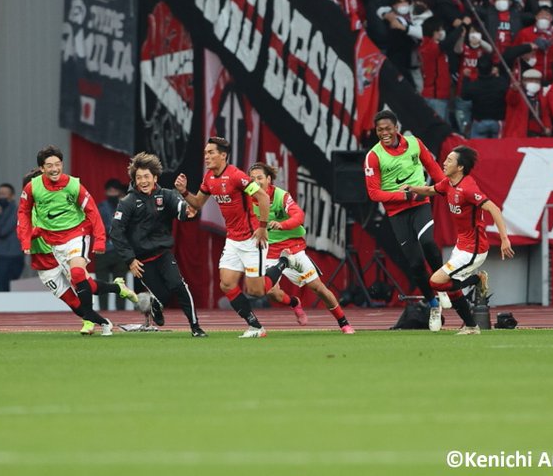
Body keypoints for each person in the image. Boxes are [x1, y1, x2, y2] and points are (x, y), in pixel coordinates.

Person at [174, 137, 302, 338]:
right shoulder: (209, 178)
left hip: (251, 239)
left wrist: (262, 227)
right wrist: (184, 192)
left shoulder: (236, 176)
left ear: (223, 155)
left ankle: (284, 262)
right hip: (233, 240)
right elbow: (197, 203)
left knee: (256, 291)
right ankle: (255, 327)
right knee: (226, 284)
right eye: (205, 152)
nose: (206, 156)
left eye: (211, 152)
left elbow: (263, 197)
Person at [400, 146, 515, 334]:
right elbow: (430, 189)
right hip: (461, 245)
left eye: (450, 160)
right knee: (452, 290)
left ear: (460, 167)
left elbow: (494, 209)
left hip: (474, 249)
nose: (444, 163)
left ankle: (476, 279)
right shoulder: (448, 183)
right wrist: (412, 188)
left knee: (435, 282)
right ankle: (471, 326)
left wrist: (504, 239)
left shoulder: (468, 188)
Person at [21, 169, 139, 334]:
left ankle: (90, 322)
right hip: (42, 262)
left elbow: (83, 215)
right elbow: (23, 231)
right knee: (73, 302)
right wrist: (30, 236)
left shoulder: (57, 201)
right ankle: (116, 292)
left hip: (61, 252)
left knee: (83, 284)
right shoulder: (25, 211)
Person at [364, 109, 448, 331]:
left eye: (387, 129)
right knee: (415, 264)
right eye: (380, 130)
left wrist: (445, 188)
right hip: (397, 213)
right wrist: (404, 196)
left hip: (420, 204)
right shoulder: (373, 156)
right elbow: (374, 193)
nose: (384, 133)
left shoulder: (414, 143)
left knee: (428, 242)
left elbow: (433, 167)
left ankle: (443, 287)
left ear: (396, 128)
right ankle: (433, 305)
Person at [17, 145, 114, 335]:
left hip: (73, 238)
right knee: (74, 302)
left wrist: (100, 240)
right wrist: (26, 240)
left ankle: (93, 317)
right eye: (49, 165)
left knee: (79, 276)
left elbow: (92, 211)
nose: (54, 169)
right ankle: (103, 320)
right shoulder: (32, 198)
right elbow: (22, 219)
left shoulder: (72, 185)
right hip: (48, 258)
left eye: (58, 164)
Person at [248, 162, 355, 334]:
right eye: (252, 178)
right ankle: (294, 303)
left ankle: (344, 323)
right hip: (269, 250)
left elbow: (299, 215)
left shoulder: (281, 196)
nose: (255, 182)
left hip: (293, 246)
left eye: (259, 178)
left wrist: (283, 225)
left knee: (318, 288)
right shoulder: (247, 198)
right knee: (269, 291)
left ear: (268, 179)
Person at [110, 152, 208, 337]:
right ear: (134, 180)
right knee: (164, 296)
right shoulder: (127, 202)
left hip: (163, 254)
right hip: (141, 261)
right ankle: (156, 303)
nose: (143, 181)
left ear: (155, 177)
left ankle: (196, 327)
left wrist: (188, 211)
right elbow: (116, 232)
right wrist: (130, 259)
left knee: (179, 286)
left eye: (146, 176)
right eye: (139, 177)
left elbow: (181, 209)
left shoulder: (167, 195)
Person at [0, 183, 25, 292]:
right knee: (3, 286)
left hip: (13, 255)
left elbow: (3, 231)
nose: (0, 197)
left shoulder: (17, 211)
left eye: (4, 194)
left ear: (12, 196)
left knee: (8, 288)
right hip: (3, 255)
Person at [95, 178, 129, 311]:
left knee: (121, 285)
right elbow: (98, 227)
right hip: (103, 250)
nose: (112, 193)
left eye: (115, 191)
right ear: (106, 192)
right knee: (101, 284)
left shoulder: (124, 207)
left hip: (120, 251)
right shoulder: (101, 207)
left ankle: (121, 312)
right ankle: (103, 312)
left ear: (119, 192)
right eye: (110, 191)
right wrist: (114, 230)